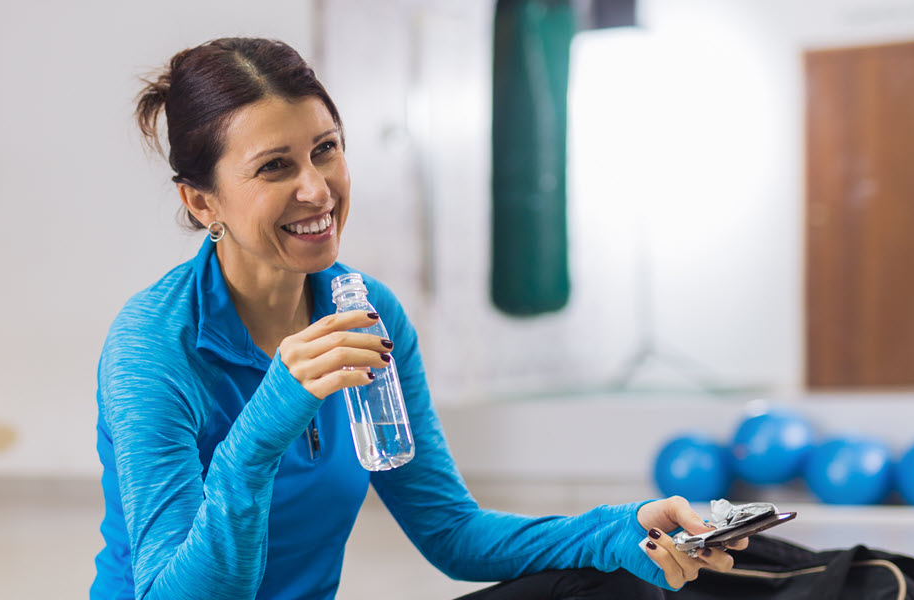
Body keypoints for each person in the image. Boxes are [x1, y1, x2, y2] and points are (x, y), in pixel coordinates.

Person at [91, 37, 746, 600]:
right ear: (202, 202)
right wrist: (264, 427)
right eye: (274, 167)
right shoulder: (155, 347)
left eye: (326, 149)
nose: (317, 189)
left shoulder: (366, 314)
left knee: (615, 582)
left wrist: (619, 531)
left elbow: (452, 533)